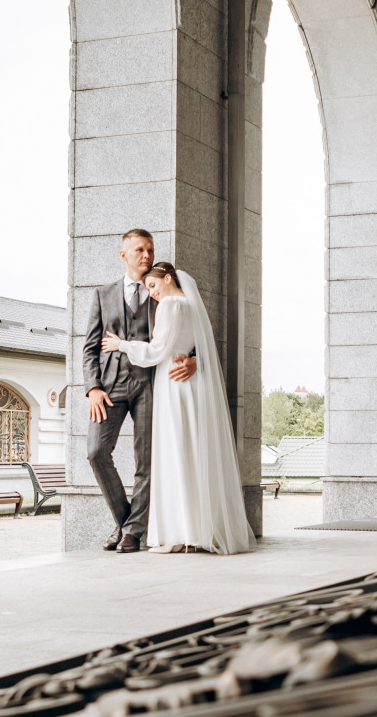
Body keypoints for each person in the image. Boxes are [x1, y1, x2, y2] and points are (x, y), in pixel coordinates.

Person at [101, 261, 255, 555]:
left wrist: (121, 345)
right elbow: (200, 348)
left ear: (168, 278)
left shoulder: (170, 304)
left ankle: (182, 532)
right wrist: (193, 360)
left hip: (173, 383)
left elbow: (156, 350)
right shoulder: (193, 307)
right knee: (195, 452)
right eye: (148, 289)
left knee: (175, 452)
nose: (153, 294)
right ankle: (200, 529)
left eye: (153, 286)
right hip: (193, 386)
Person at [82, 229, 196, 553]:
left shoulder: (165, 291)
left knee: (146, 461)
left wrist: (195, 359)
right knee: (95, 453)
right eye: (139, 250)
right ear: (124, 255)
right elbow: (89, 347)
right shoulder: (102, 295)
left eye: (150, 250)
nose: (146, 256)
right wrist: (92, 388)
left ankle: (133, 533)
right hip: (110, 386)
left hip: (151, 384)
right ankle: (125, 521)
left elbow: (191, 330)